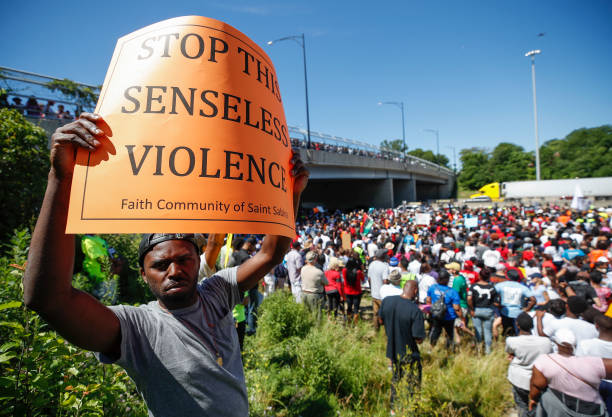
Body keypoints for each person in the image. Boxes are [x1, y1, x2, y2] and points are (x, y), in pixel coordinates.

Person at [22, 113, 309, 417]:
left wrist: (291, 193)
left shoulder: (217, 292)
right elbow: (48, 300)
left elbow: (270, 255)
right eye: (161, 265)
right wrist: (60, 178)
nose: (175, 271)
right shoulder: (137, 329)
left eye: (184, 259)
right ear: (143, 274)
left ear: (197, 261)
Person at [529, 328, 610, 416]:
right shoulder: (594, 363)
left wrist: (533, 399)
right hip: (591, 410)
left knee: (546, 397)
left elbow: (537, 386)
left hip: (559, 410)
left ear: (557, 343)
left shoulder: (545, 361)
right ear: (575, 344)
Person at [378, 281, 425, 412]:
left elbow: (380, 320)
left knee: (396, 380)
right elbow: (418, 338)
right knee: (413, 384)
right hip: (409, 352)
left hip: (392, 350)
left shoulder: (387, 301)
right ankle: (411, 409)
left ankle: (393, 409)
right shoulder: (415, 310)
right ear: (415, 291)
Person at [505, 312, 553, 417]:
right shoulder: (546, 342)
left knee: (522, 404)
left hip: (519, 378)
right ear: (532, 325)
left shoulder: (511, 341)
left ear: (517, 325)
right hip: (540, 379)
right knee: (538, 405)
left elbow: (510, 352)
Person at [426, 270, 463, 348]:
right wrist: (461, 318)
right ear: (447, 280)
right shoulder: (452, 292)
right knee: (449, 334)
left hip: (436, 315)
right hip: (449, 316)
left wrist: (431, 310)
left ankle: (431, 347)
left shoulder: (433, 288)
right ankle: (448, 349)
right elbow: (456, 308)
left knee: (436, 331)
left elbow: (428, 300)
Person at [496, 269, 536, 336]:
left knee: (506, 332)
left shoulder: (500, 285)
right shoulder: (523, 287)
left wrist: (497, 305)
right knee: (517, 333)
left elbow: (491, 294)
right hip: (518, 312)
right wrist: (527, 310)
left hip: (505, 311)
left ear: (507, 277)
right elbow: (533, 300)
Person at [468, 268, 498, 354]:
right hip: (488, 310)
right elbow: (495, 301)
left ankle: (478, 349)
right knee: (488, 332)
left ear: (479, 276)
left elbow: (469, 298)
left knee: (478, 330)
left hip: (476, 310)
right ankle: (488, 351)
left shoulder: (473, 286)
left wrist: (472, 308)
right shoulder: (492, 287)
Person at [301, 251, 328, 320]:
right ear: (315, 259)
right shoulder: (318, 272)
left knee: (306, 315)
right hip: (315, 295)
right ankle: (317, 329)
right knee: (317, 316)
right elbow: (326, 283)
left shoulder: (303, 269)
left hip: (304, 293)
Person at [368, 249, 390, 330]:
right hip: (382, 295)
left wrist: (372, 288)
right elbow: (385, 281)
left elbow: (369, 279)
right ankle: (385, 331)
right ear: (383, 256)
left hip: (374, 293)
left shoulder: (371, 264)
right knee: (385, 314)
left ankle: (376, 329)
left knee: (375, 313)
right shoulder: (384, 266)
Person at [343, 257, 363, 324]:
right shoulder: (358, 272)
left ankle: (348, 321)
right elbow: (362, 279)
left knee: (349, 307)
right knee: (356, 308)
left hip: (347, 291)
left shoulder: (344, 270)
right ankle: (356, 323)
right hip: (357, 291)